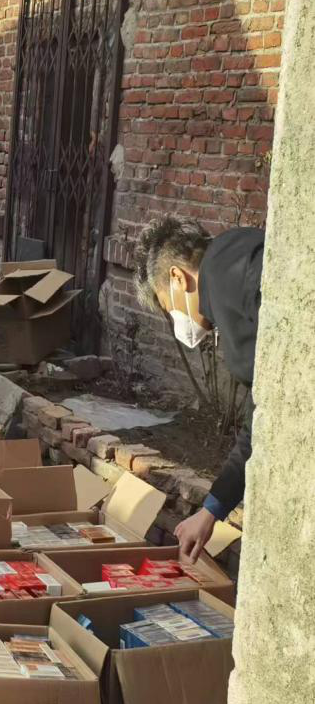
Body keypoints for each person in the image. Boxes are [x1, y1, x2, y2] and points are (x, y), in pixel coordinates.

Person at [134, 218, 263, 563]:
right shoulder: (234, 252)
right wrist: (211, 510)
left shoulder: (224, 275)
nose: (177, 319)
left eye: (168, 307)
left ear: (178, 277)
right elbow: (261, 417)